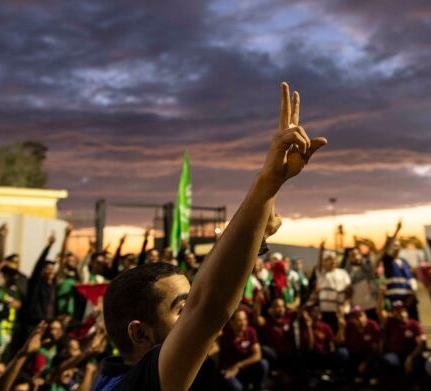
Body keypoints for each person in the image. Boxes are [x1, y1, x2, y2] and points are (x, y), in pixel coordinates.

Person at [93, 81, 326, 390]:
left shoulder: (114, 375)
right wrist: (266, 182)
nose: (197, 319)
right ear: (140, 334)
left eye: (189, 305)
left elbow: (212, 283)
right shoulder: (138, 384)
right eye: (181, 309)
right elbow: (210, 303)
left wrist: (266, 203)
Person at [378, 299, 426, 387]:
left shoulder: (414, 324)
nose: (400, 313)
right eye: (397, 311)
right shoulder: (390, 322)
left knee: (419, 363)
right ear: (393, 313)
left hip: (411, 354)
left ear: (406, 311)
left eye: (402, 310)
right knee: (387, 361)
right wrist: (381, 294)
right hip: (396, 354)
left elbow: (422, 342)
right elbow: (380, 312)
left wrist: (411, 358)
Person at [218, 309, 268, 391]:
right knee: (237, 388)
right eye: (239, 320)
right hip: (230, 369)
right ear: (232, 323)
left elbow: (258, 355)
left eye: (245, 319)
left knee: (263, 364)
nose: (243, 323)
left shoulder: (251, 331)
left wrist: (239, 365)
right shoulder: (225, 336)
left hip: (243, 367)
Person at [379, 220, 419, 320]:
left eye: (398, 245)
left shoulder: (404, 262)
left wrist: (413, 294)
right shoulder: (388, 261)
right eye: (393, 245)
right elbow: (386, 249)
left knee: (413, 322)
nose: (396, 247)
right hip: (395, 299)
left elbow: (411, 279)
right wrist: (397, 230)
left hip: (409, 299)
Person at [315, 243, 351, 332]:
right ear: (324, 262)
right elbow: (319, 264)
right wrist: (321, 249)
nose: (332, 261)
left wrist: (345, 305)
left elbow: (349, 290)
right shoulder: (321, 274)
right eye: (329, 259)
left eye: (333, 259)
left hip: (340, 312)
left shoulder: (343, 272)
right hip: (325, 313)